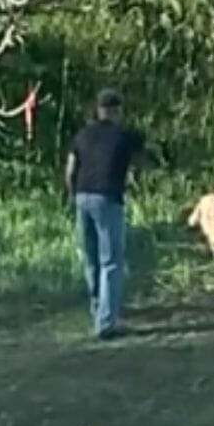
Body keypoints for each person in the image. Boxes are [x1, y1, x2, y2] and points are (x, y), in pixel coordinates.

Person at [65, 88, 145, 340]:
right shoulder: (125, 135)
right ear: (118, 111)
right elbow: (140, 162)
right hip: (108, 198)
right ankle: (107, 323)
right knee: (111, 261)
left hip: (82, 196)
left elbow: (70, 170)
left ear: (98, 110)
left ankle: (98, 309)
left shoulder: (82, 134)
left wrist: (72, 195)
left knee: (91, 258)